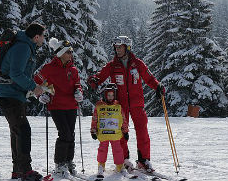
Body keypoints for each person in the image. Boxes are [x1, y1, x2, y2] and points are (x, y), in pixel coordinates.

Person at [88, 36, 165, 174]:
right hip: (120, 106)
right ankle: (124, 160)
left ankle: (143, 160)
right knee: (122, 133)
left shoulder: (138, 64)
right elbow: (100, 75)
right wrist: (94, 80)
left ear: (127, 48)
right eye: (116, 48)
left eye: (120, 47)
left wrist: (158, 86)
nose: (117, 50)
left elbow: (149, 78)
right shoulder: (112, 65)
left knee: (142, 131)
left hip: (137, 104)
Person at [0, 23, 46, 181]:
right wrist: (33, 87)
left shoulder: (24, 46)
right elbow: (15, 73)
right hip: (9, 94)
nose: (44, 39)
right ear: (36, 37)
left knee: (17, 131)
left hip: (13, 94)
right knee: (23, 130)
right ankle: (25, 171)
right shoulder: (23, 47)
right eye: (43, 36)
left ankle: (18, 171)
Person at [34, 38, 83, 178]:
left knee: (71, 134)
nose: (71, 54)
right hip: (56, 106)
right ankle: (59, 164)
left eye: (71, 52)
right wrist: (41, 96)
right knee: (65, 134)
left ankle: (68, 161)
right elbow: (35, 83)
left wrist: (79, 92)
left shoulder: (73, 69)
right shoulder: (48, 68)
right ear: (60, 53)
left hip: (71, 106)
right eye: (68, 52)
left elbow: (77, 85)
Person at [90, 83, 129, 179]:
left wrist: (125, 131)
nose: (110, 97)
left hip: (115, 134)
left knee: (118, 150)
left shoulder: (118, 106)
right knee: (102, 150)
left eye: (112, 95)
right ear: (105, 95)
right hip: (103, 134)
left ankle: (120, 166)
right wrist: (93, 131)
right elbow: (95, 119)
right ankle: (101, 166)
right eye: (108, 95)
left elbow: (123, 119)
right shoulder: (99, 106)